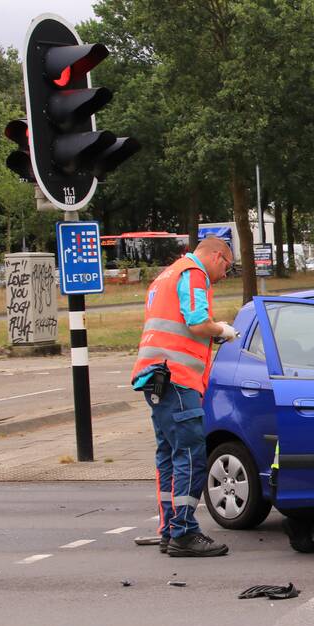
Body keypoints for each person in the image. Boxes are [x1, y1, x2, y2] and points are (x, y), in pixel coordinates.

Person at [131, 236, 237, 558]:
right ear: (217, 256)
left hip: (156, 378)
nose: (224, 275)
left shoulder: (166, 275)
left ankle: (169, 529)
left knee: (168, 454)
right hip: (178, 378)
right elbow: (197, 322)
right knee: (191, 455)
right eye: (227, 268)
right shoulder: (193, 273)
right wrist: (222, 330)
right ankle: (185, 532)